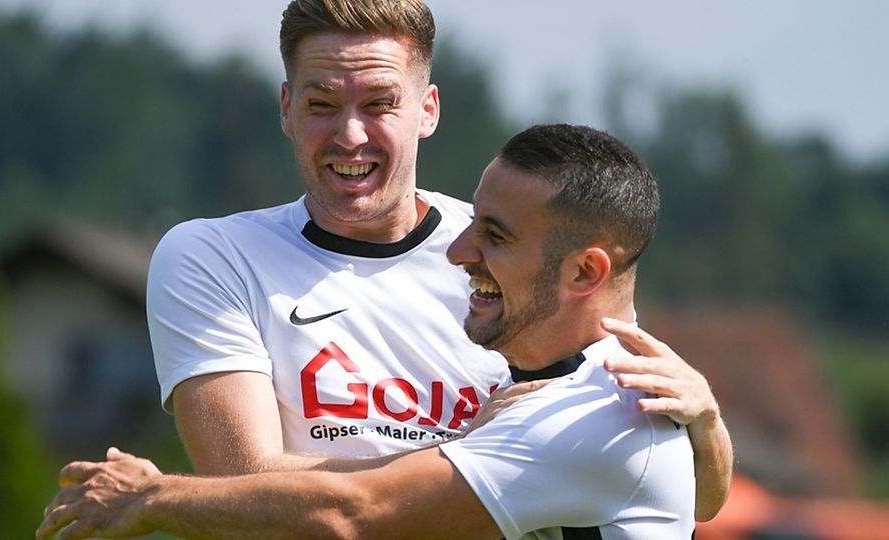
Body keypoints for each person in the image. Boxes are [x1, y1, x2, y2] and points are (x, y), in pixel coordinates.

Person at [147, 0, 730, 518]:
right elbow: (242, 491)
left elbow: (681, 489)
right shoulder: (214, 256)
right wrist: (472, 456)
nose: (350, 134)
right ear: (286, 108)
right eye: (322, 103)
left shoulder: (509, 253)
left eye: (379, 104)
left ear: (427, 110)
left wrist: (706, 424)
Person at [39, 124, 700, 539]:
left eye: (494, 236)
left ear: (586, 272)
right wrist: (711, 428)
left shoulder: (589, 416)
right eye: (472, 220)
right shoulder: (592, 389)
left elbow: (348, 514)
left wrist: (152, 498)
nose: (458, 249)